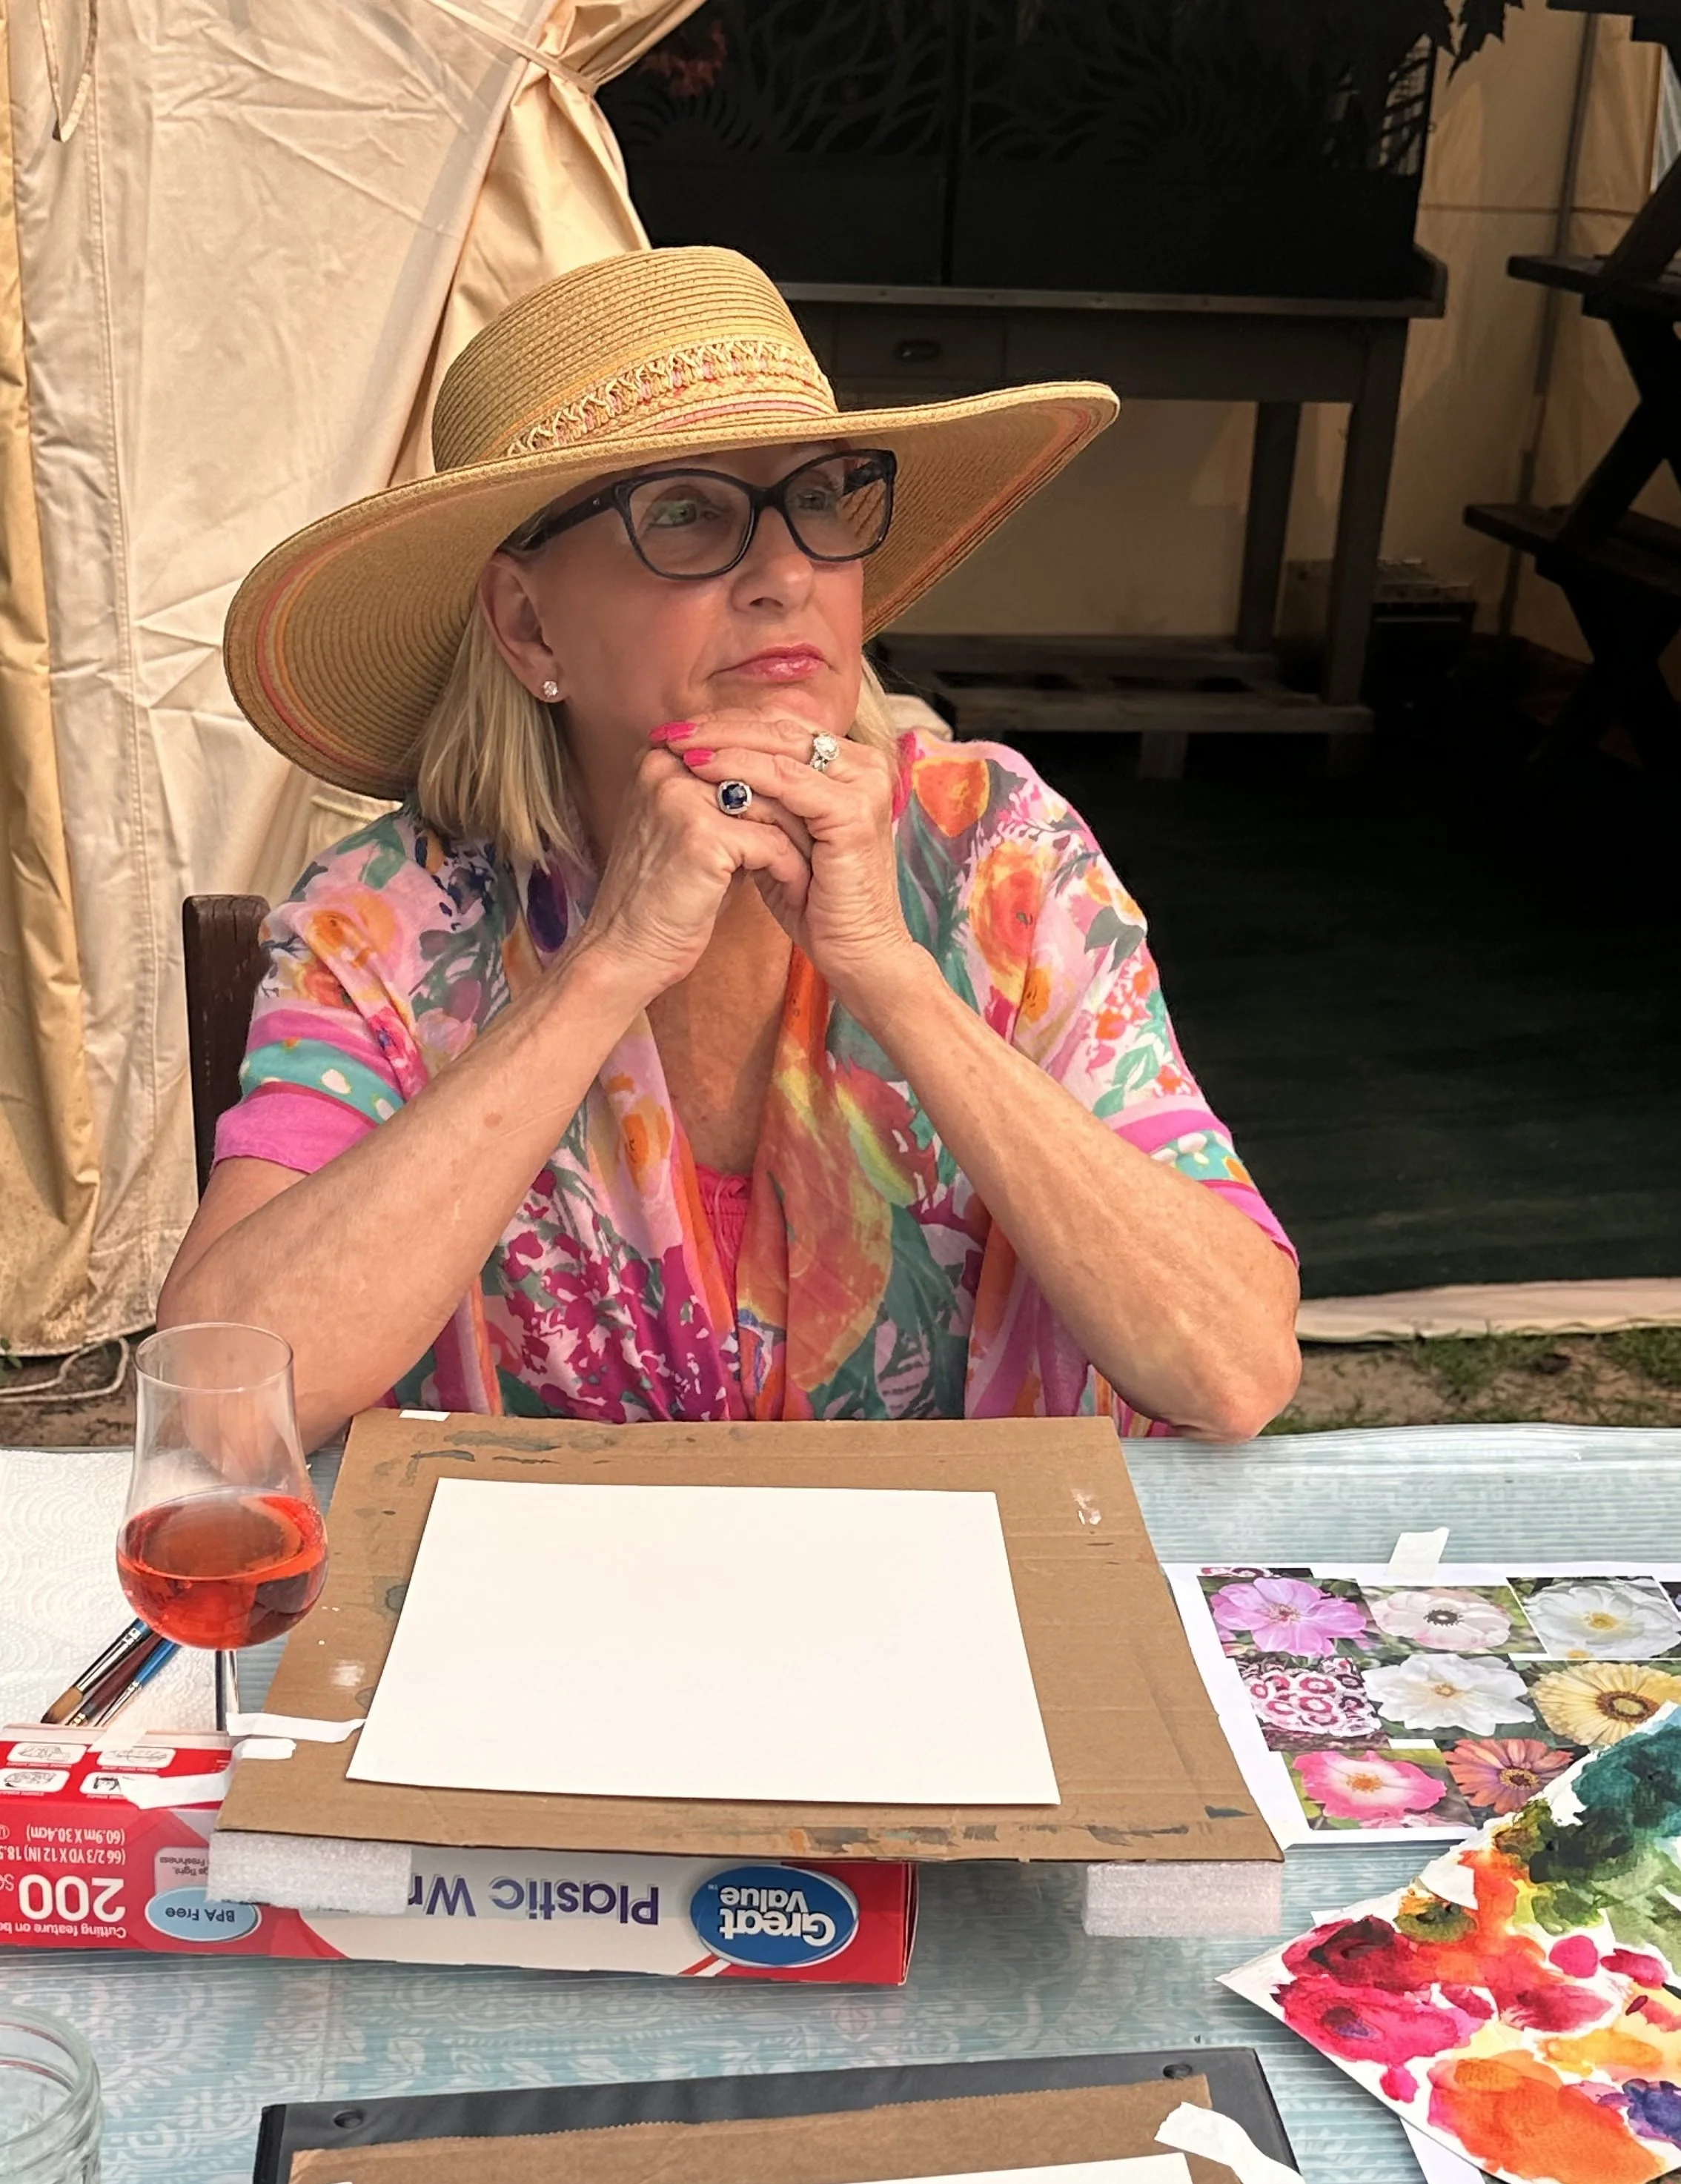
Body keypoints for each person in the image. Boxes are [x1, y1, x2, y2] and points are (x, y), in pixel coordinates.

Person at [163, 246, 1299, 1448]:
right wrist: (604, 972)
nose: (789, 572)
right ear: (529, 623)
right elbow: (220, 1405)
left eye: (821, 499)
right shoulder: (392, 923)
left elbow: (1233, 1369)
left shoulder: (997, 853)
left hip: (973, 1564)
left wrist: (894, 978)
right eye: (685, 513)